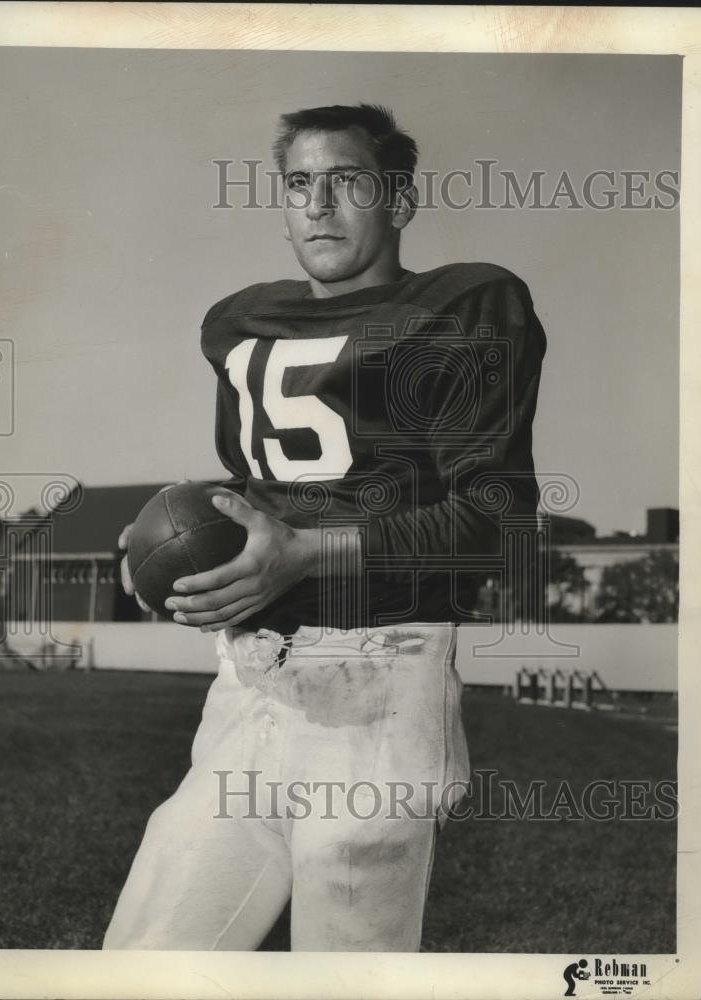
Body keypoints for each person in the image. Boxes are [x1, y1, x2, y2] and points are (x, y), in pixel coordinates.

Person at [103, 103, 546, 952]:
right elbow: (276, 486)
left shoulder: (466, 303)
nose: (318, 203)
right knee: (142, 959)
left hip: (376, 687)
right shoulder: (242, 324)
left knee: (344, 974)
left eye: (347, 181)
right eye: (299, 184)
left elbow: (492, 518)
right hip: (247, 685)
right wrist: (174, 542)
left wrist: (308, 555)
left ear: (399, 202)